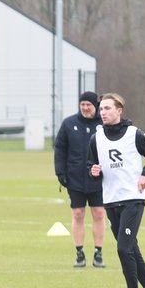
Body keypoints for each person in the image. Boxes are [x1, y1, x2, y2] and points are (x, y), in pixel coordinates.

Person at [86, 92, 145, 288]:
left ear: (119, 111)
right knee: (131, 250)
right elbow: (91, 165)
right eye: (101, 109)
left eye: (107, 108)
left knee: (123, 249)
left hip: (133, 198)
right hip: (111, 200)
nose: (103, 112)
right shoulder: (96, 138)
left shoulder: (134, 134)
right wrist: (93, 171)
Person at [54, 91, 106, 268]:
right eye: (82, 104)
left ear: (95, 106)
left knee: (99, 213)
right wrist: (60, 172)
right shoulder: (69, 124)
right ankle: (79, 253)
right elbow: (60, 149)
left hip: (98, 179)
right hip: (75, 178)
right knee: (77, 214)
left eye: (88, 104)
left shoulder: (103, 124)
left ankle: (98, 252)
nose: (85, 107)